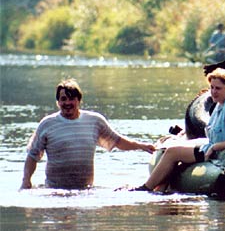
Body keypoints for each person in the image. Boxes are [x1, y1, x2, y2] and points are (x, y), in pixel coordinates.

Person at [133, 67, 225, 191]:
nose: (214, 92)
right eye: (212, 87)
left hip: (224, 154)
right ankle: (160, 189)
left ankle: (146, 187)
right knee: (177, 148)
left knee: (172, 152)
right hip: (216, 149)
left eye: (218, 88)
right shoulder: (222, 104)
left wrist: (214, 147)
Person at [20, 79, 155, 190]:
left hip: (85, 191)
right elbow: (32, 156)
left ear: (79, 100)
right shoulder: (47, 124)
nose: (67, 103)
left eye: (72, 99)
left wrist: (141, 146)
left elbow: (117, 141)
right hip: (54, 190)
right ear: (58, 102)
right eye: (63, 99)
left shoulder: (95, 121)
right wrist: (26, 181)